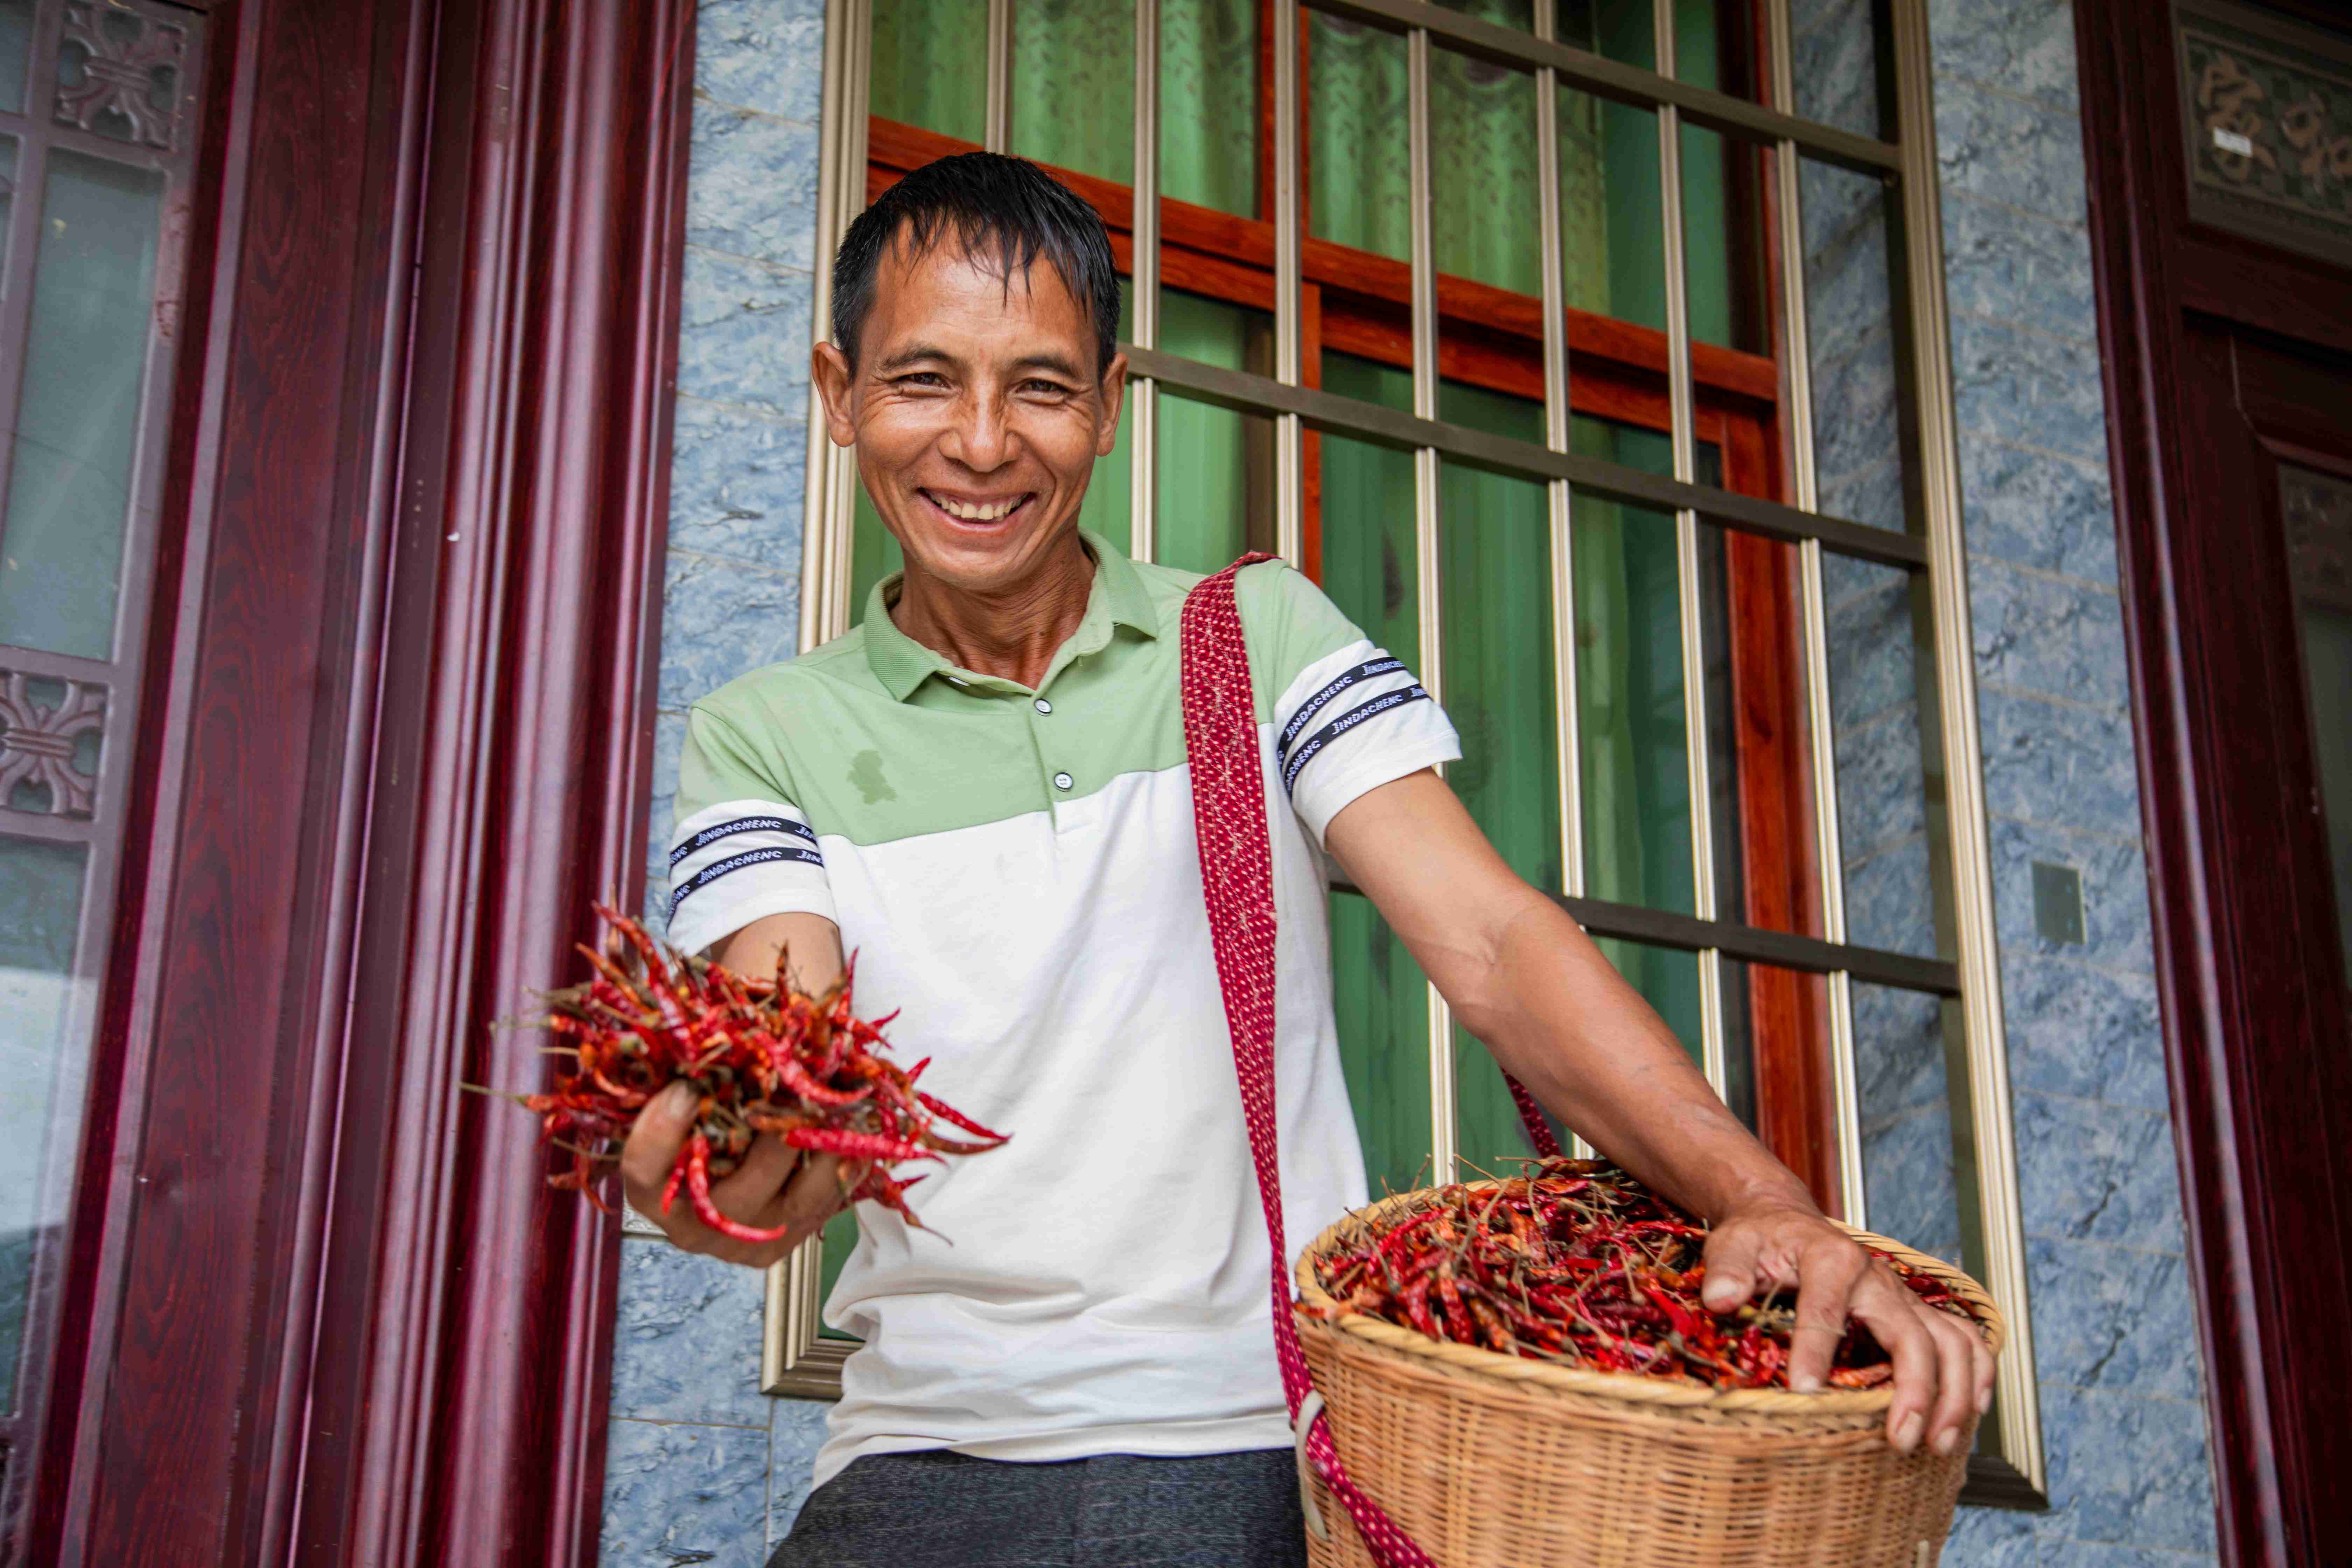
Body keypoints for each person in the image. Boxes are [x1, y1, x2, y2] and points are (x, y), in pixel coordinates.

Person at [622, 151, 1994, 1568]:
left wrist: (1758, 1197)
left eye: (1039, 384)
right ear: (837, 394)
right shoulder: (764, 737)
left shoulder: (1253, 639)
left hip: (1257, 1455)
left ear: (1109, 401)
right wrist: (722, 1171)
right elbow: (786, 1055)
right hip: (921, 1466)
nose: (981, 443)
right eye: (921, 381)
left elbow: (1493, 944)